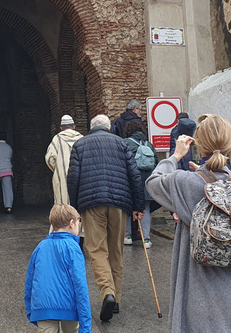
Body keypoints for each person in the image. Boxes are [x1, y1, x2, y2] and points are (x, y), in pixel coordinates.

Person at [145, 114, 231, 333]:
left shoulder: (183, 181)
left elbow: (153, 182)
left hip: (201, 291)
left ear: (198, 145)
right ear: (230, 144)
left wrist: (175, 156)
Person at [67, 114, 145, 322]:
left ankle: (107, 293)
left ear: (91, 128)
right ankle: (116, 300)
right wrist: (138, 205)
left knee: (97, 250)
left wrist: (74, 208)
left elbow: (73, 177)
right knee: (116, 250)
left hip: (91, 203)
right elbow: (134, 175)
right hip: (119, 203)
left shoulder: (80, 145)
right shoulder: (121, 144)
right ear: (109, 127)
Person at [24, 203, 91, 333]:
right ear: (72, 223)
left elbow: (30, 280)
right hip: (69, 308)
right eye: (78, 224)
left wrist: (30, 309)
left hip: (43, 309)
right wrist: (85, 325)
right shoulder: (73, 248)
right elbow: (80, 285)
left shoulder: (40, 247)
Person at [122, 119, 158, 248]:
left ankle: (127, 236)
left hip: (130, 179)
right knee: (145, 208)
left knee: (127, 208)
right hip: (146, 181)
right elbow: (156, 162)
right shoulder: (148, 144)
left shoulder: (125, 143)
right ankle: (146, 239)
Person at [45, 115, 84, 206]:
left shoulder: (57, 139)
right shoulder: (82, 138)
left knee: (63, 203)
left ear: (61, 128)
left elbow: (49, 158)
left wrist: (58, 169)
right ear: (74, 127)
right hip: (80, 173)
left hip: (62, 175)